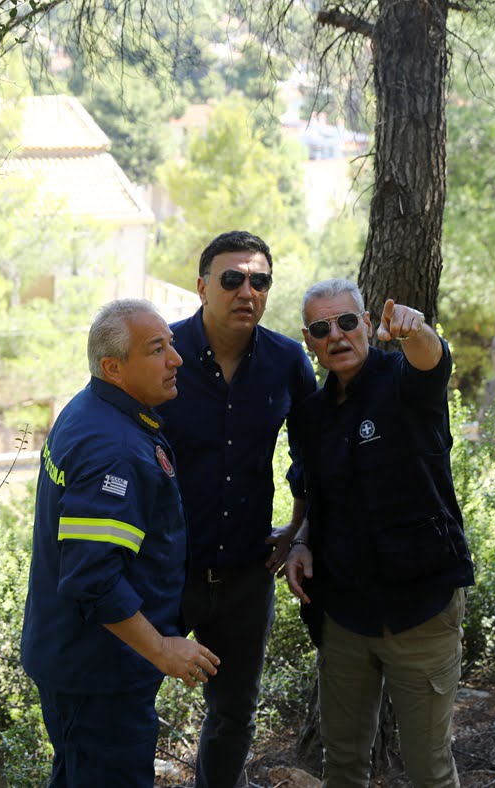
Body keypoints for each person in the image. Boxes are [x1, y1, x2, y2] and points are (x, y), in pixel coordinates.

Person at [21, 299, 220, 787]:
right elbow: (93, 578)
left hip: (83, 664)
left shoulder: (94, 408)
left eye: (171, 344)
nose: (176, 359)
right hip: (98, 674)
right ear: (113, 367)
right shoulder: (114, 449)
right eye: (157, 349)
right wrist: (162, 649)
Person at [284, 279, 475, 788]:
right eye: (321, 329)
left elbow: (434, 362)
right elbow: (313, 492)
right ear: (309, 340)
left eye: (347, 322)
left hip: (421, 610)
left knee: (429, 771)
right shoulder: (310, 416)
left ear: (367, 325)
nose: (336, 336)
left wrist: (417, 332)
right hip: (344, 615)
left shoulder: (403, 382)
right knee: (343, 767)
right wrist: (300, 540)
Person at [154, 230, 316, 788]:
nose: (247, 291)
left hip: (247, 575)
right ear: (202, 287)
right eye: (232, 279)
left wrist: (298, 529)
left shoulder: (287, 361)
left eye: (260, 281)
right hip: (166, 571)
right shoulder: (163, 354)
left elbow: (312, 455)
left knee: (234, 714)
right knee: (128, 700)